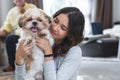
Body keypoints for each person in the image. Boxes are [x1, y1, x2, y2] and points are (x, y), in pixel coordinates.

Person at [15, 7, 85, 80]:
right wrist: (19, 58)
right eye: (55, 21)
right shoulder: (36, 40)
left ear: (70, 34)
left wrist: (48, 52)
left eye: (63, 28)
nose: (55, 28)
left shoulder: (75, 52)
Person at [0, 0, 36, 72]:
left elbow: (36, 20)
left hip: (31, 34)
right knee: (9, 39)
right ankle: (12, 64)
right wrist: (3, 31)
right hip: (19, 36)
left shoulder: (32, 7)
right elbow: (7, 26)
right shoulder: (12, 12)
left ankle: (32, 64)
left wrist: (25, 13)